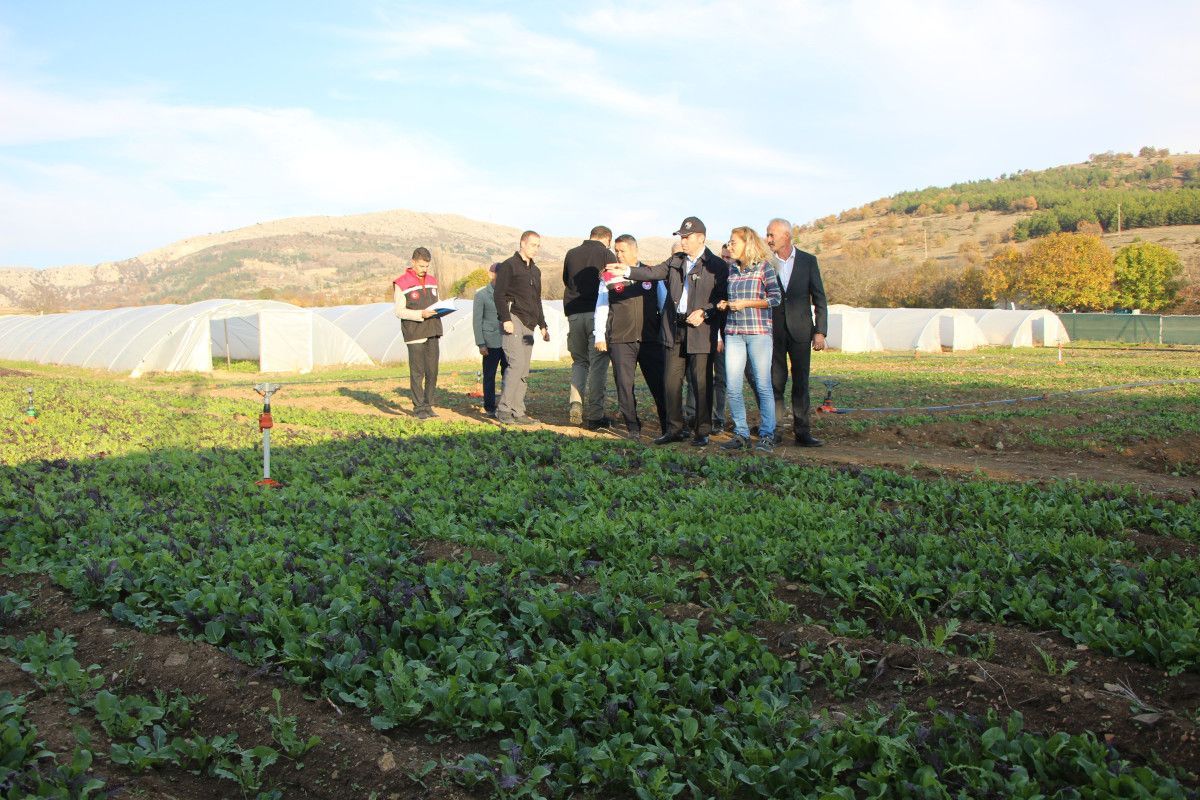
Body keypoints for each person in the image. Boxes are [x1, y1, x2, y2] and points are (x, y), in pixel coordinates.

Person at [611, 216, 727, 447]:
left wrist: (705, 312)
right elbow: (652, 272)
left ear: (701, 238)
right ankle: (674, 429)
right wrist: (627, 270)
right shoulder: (676, 261)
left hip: (701, 329)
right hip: (675, 329)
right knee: (671, 382)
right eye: (681, 237)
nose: (683, 241)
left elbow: (722, 299)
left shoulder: (716, 265)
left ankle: (702, 431)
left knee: (701, 382)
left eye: (687, 237)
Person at [593, 234, 667, 441]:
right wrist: (599, 335)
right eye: (616, 251)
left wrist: (666, 333)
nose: (618, 254)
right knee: (624, 386)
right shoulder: (608, 276)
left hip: (650, 339)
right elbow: (601, 306)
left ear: (635, 251)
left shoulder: (651, 274)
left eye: (622, 251)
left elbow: (663, 305)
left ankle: (667, 425)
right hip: (620, 340)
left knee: (659, 384)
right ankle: (633, 428)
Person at [716, 227, 781, 452]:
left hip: (758, 333)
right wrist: (726, 304)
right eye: (729, 242)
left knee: (763, 385)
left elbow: (775, 299)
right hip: (734, 332)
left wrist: (747, 303)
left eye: (733, 242)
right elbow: (732, 298)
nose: (730, 246)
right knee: (733, 387)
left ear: (747, 243)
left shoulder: (764, 268)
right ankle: (741, 434)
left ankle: (767, 435)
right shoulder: (732, 270)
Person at [765, 217, 828, 447]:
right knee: (775, 382)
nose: (768, 239)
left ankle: (802, 432)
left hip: (801, 331)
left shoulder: (808, 261)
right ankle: (775, 431)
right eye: (767, 234)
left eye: (771, 235)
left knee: (801, 382)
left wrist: (820, 331)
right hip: (773, 331)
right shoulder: (765, 263)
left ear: (786, 236)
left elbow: (819, 298)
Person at [494, 230, 550, 425]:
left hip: (530, 325)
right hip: (514, 319)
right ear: (522, 243)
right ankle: (503, 410)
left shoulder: (536, 271)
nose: (536, 249)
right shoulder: (509, 266)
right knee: (516, 364)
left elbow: (537, 300)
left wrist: (543, 325)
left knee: (524, 369)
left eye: (538, 246)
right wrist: (505, 319)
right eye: (533, 245)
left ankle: (518, 411)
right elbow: (499, 295)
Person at [563, 226, 614, 430]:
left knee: (579, 361)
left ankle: (576, 402)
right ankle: (595, 414)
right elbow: (613, 284)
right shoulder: (607, 254)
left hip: (574, 314)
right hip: (596, 314)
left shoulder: (571, 253)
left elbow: (567, 280)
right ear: (607, 239)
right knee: (598, 364)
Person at [392, 247, 443, 419]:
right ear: (413, 262)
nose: (424, 269)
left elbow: (437, 302)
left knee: (432, 371)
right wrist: (420, 314)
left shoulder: (432, 280)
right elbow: (399, 311)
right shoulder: (401, 283)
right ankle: (419, 407)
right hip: (414, 333)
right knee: (417, 372)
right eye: (421, 266)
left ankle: (428, 405)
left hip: (433, 330)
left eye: (427, 266)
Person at [472, 262, 508, 418]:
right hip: (490, 342)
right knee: (489, 375)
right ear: (492, 274)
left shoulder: (508, 293)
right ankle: (489, 406)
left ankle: (506, 404)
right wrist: (481, 343)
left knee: (508, 373)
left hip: (507, 340)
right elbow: (477, 321)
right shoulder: (481, 295)